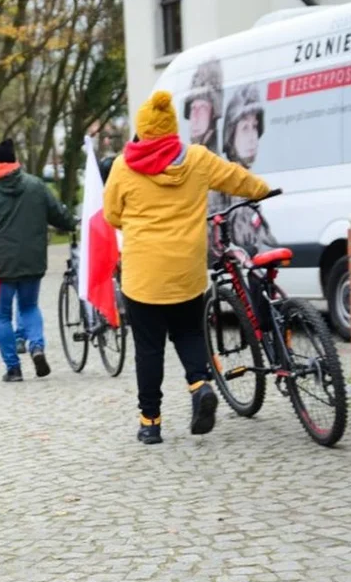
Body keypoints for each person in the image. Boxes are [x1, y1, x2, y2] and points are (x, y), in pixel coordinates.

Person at [103, 90, 270, 445]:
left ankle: (150, 422)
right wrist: (263, 188)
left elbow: (112, 215)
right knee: (190, 334)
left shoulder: (122, 166)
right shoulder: (196, 158)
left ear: (143, 129)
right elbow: (236, 178)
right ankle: (200, 385)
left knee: (149, 349)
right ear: (170, 127)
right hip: (186, 272)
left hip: (143, 276)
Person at [0, 138, 76, 382]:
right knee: (29, 307)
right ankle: (36, 347)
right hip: (32, 261)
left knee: (1, 316)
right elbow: (58, 215)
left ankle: (13, 368)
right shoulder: (36, 186)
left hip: (0, 266)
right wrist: (71, 224)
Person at [214, 83, 276, 254]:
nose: (252, 137)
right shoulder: (225, 183)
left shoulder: (246, 181)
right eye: (245, 128)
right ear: (231, 134)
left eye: (255, 127)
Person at [183, 59, 223, 154]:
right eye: (193, 108)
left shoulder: (216, 158)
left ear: (213, 114)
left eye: (202, 108)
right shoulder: (189, 154)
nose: (195, 117)